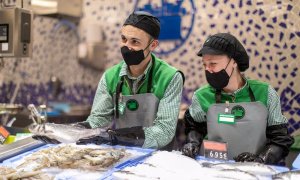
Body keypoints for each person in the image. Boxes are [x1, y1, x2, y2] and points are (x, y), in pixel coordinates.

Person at [33, 11, 184, 150]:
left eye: (135, 42)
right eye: (124, 39)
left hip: (160, 158)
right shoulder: (110, 76)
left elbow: (164, 131)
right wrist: (65, 132)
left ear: (153, 45)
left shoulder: (170, 77)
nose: (127, 46)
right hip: (125, 153)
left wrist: (116, 137)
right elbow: (98, 121)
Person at [181, 33, 294, 165]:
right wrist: (193, 143)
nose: (207, 69)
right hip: (213, 168)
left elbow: (280, 138)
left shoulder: (265, 93)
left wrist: (262, 159)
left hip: (255, 170)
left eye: (213, 63)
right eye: (204, 64)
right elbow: (195, 128)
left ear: (233, 62)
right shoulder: (201, 96)